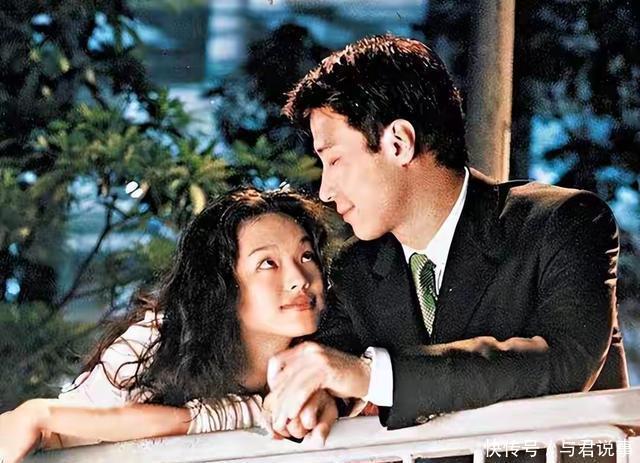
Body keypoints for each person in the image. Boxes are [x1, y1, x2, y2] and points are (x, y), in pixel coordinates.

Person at [264, 34, 627, 442]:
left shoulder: (563, 222)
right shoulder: (355, 268)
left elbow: (566, 363)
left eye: (334, 160)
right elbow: (337, 365)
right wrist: (319, 398)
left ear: (398, 143)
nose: (326, 191)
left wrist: (371, 376)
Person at [0, 187, 338, 463]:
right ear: (222, 285)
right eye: (268, 263)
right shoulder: (158, 341)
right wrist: (39, 413)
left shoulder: (336, 345)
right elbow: (58, 430)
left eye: (306, 256)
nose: (299, 279)